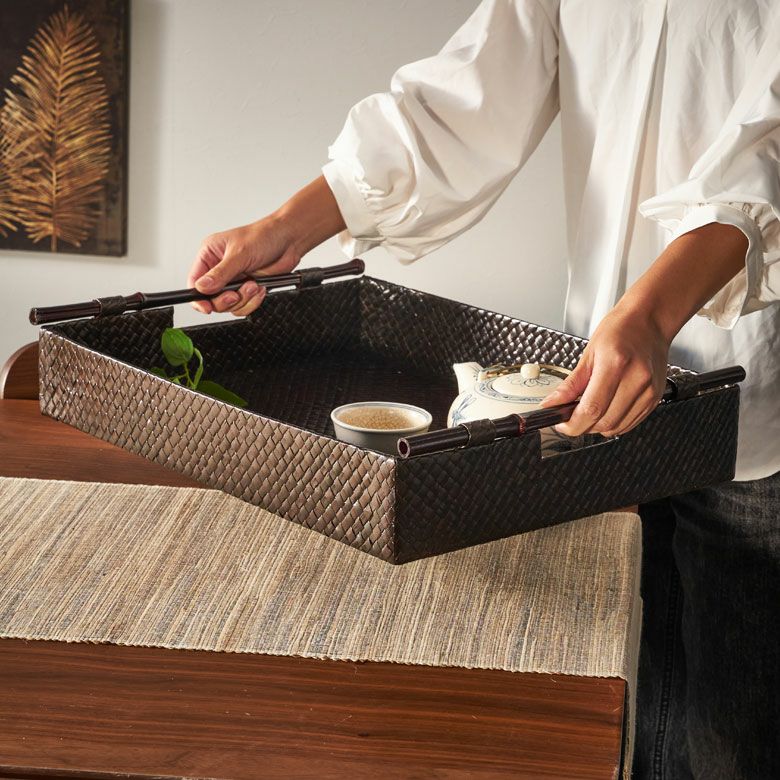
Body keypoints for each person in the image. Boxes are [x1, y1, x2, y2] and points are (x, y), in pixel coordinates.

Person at [187, 2, 779, 777]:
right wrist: (287, 228)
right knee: (631, 709)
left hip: (754, 401)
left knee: (738, 737)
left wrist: (650, 311)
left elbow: (769, 145)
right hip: (594, 389)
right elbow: (463, 98)